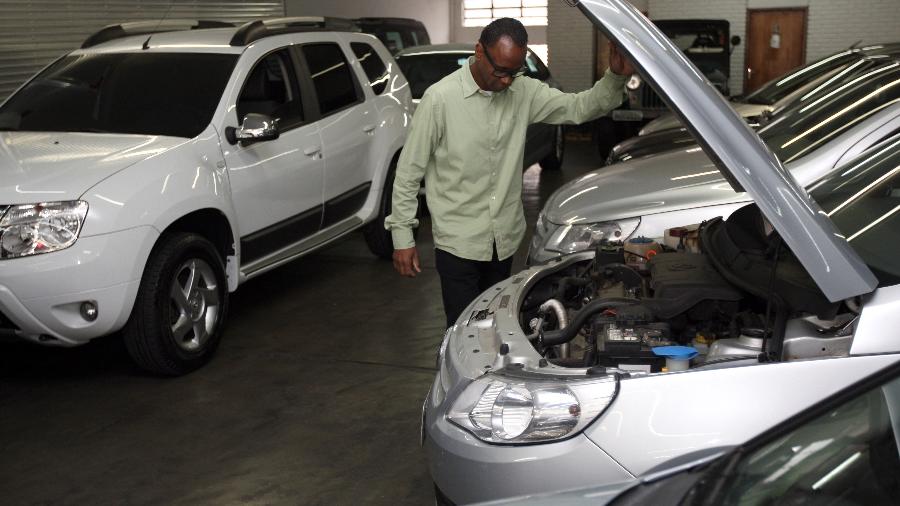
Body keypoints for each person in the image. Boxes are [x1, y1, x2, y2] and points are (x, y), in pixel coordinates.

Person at [385, 17, 635, 328]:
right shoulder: (440, 100)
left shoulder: (524, 92)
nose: (505, 81)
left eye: (513, 73)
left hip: (503, 240)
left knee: (495, 327)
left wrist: (614, 78)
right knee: (462, 331)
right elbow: (409, 172)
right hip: (458, 243)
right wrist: (402, 237)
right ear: (479, 51)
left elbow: (579, 108)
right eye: (500, 71)